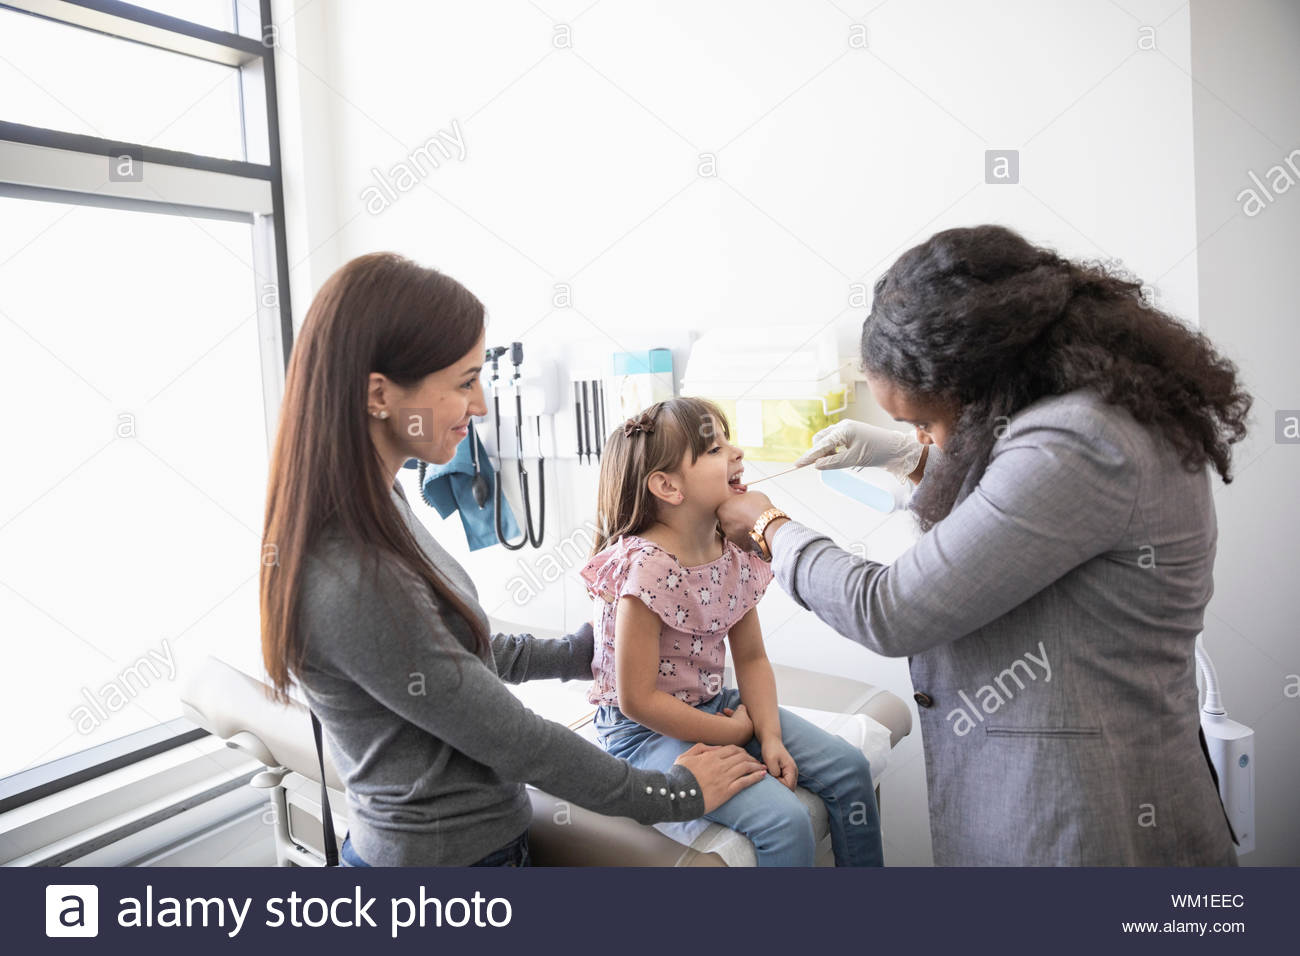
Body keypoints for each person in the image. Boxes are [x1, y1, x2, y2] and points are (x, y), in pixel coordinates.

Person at [717, 224, 1250, 866]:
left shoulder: (1079, 442)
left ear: (981, 377)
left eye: (925, 420)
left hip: (1088, 821)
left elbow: (890, 610)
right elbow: (1010, 517)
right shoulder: (1088, 409)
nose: (933, 439)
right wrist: (913, 460)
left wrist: (770, 527)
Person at [259, 252, 768, 867]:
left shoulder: (383, 502)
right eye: (464, 381)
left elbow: (449, 653)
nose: (480, 407)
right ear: (380, 395)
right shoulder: (349, 574)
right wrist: (671, 791)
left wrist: (595, 649)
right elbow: (514, 739)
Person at [581, 397, 884, 866]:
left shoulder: (734, 553)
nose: (737, 452)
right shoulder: (645, 569)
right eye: (715, 449)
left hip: (710, 706)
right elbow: (636, 701)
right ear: (667, 486)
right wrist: (731, 734)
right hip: (641, 734)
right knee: (784, 821)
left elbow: (753, 659)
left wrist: (769, 736)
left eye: (729, 441)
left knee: (850, 769)